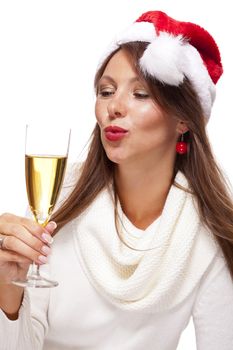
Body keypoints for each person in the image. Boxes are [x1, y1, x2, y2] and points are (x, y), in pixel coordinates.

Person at [0, 10, 233, 350]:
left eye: (141, 95)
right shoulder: (61, 198)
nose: (115, 107)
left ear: (184, 120)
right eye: (106, 91)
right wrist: (9, 289)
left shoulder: (208, 231)